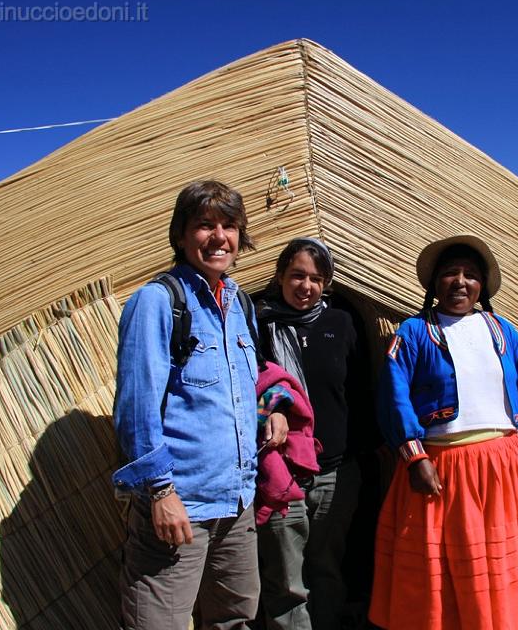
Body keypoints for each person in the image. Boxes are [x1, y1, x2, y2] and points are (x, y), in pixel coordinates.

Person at [112, 180, 287, 630]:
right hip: (180, 504)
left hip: (236, 502)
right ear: (182, 235)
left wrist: (273, 408)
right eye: (204, 225)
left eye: (229, 226)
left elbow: (248, 382)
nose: (218, 237)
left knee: (236, 619)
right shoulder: (158, 302)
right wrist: (161, 493)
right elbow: (136, 408)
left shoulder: (241, 303)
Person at [370, 235, 518, 630]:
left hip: (504, 466)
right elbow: (393, 396)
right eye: (450, 274)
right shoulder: (412, 334)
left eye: (471, 275)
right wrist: (414, 457)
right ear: (434, 284)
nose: (460, 282)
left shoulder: (504, 332)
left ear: (482, 286)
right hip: (441, 468)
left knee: (506, 558)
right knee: (440, 567)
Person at [255, 238, 372, 630]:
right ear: (280, 277)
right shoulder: (260, 324)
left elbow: (358, 388)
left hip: (336, 472)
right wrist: (273, 408)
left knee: (326, 568)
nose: (306, 286)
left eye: (316, 279)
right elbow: (246, 385)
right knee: (286, 579)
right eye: (297, 276)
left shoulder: (341, 322)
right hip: (279, 470)